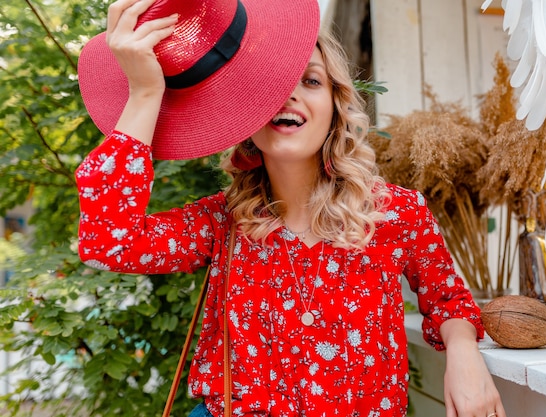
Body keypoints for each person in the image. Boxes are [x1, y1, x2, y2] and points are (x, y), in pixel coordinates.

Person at [75, 0, 506, 416]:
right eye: (270, 87)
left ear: (337, 108)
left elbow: (450, 303)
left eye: (312, 81)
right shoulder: (222, 223)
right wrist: (147, 92)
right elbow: (109, 241)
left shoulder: (396, 214)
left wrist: (464, 353)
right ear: (246, 116)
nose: (289, 96)